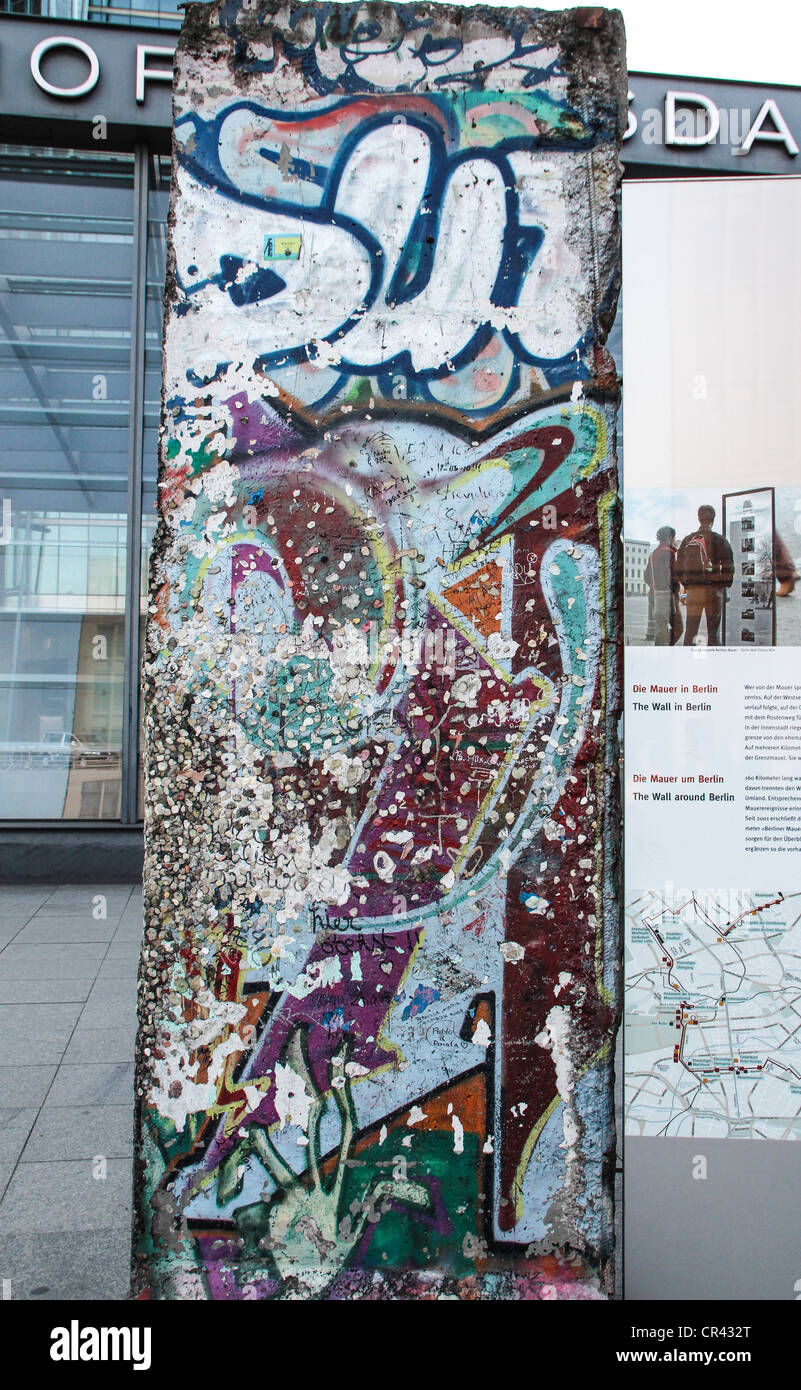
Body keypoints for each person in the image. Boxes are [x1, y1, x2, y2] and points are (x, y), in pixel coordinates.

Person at [675, 505, 734, 646]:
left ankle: (688, 663)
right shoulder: (720, 540)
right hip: (713, 592)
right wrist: (721, 585)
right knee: (713, 633)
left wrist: (688, 585)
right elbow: (729, 568)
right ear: (713, 519)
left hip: (694, 591)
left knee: (690, 631)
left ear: (699, 519)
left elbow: (678, 568)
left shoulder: (688, 539)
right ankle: (713, 665)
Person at [643, 526, 682, 645]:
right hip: (667, 596)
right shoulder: (670, 553)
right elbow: (674, 577)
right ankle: (666, 649)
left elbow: (646, 576)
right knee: (678, 628)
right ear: (670, 537)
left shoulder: (653, 554)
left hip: (653, 595)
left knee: (661, 628)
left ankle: (661, 651)